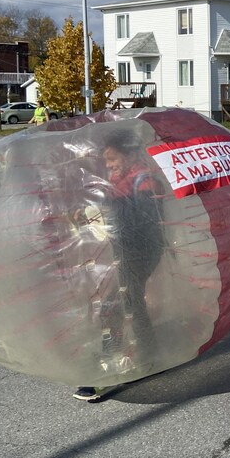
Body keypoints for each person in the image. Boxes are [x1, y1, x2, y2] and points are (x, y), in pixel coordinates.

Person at [73, 131, 164, 401]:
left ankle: (111, 367)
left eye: (113, 159)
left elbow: (140, 220)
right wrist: (92, 211)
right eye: (106, 160)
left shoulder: (144, 181)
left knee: (119, 304)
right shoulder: (118, 179)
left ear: (130, 155)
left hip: (141, 251)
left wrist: (102, 210)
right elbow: (111, 207)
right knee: (130, 302)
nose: (109, 165)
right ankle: (149, 357)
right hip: (124, 252)